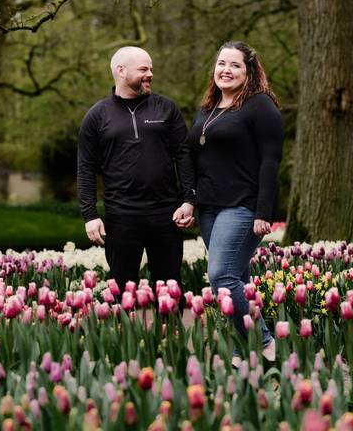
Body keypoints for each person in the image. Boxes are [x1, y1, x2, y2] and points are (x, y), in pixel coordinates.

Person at [185, 41, 283, 363]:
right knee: (237, 280)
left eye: (235, 65)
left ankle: (266, 342)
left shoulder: (259, 106)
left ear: (249, 71)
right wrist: (190, 201)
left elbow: (270, 161)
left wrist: (263, 212)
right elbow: (198, 161)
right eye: (221, 64)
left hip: (242, 207)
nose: (225, 70)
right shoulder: (207, 109)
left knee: (221, 277)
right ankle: (250, 353)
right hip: (210, 209)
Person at [77, 46, 196, 293]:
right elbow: (86, 168)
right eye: (143, 69)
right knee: (122, 291)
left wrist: (189, 200)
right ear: (121, 71)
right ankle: (126, 332)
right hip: (121, 215)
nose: (150, 74)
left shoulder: (167, 109)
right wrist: (89, 214)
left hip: (166, 214)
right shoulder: (97, 116)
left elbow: (184, 155)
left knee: (170, 289)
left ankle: (171, 331)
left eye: (151, 68)